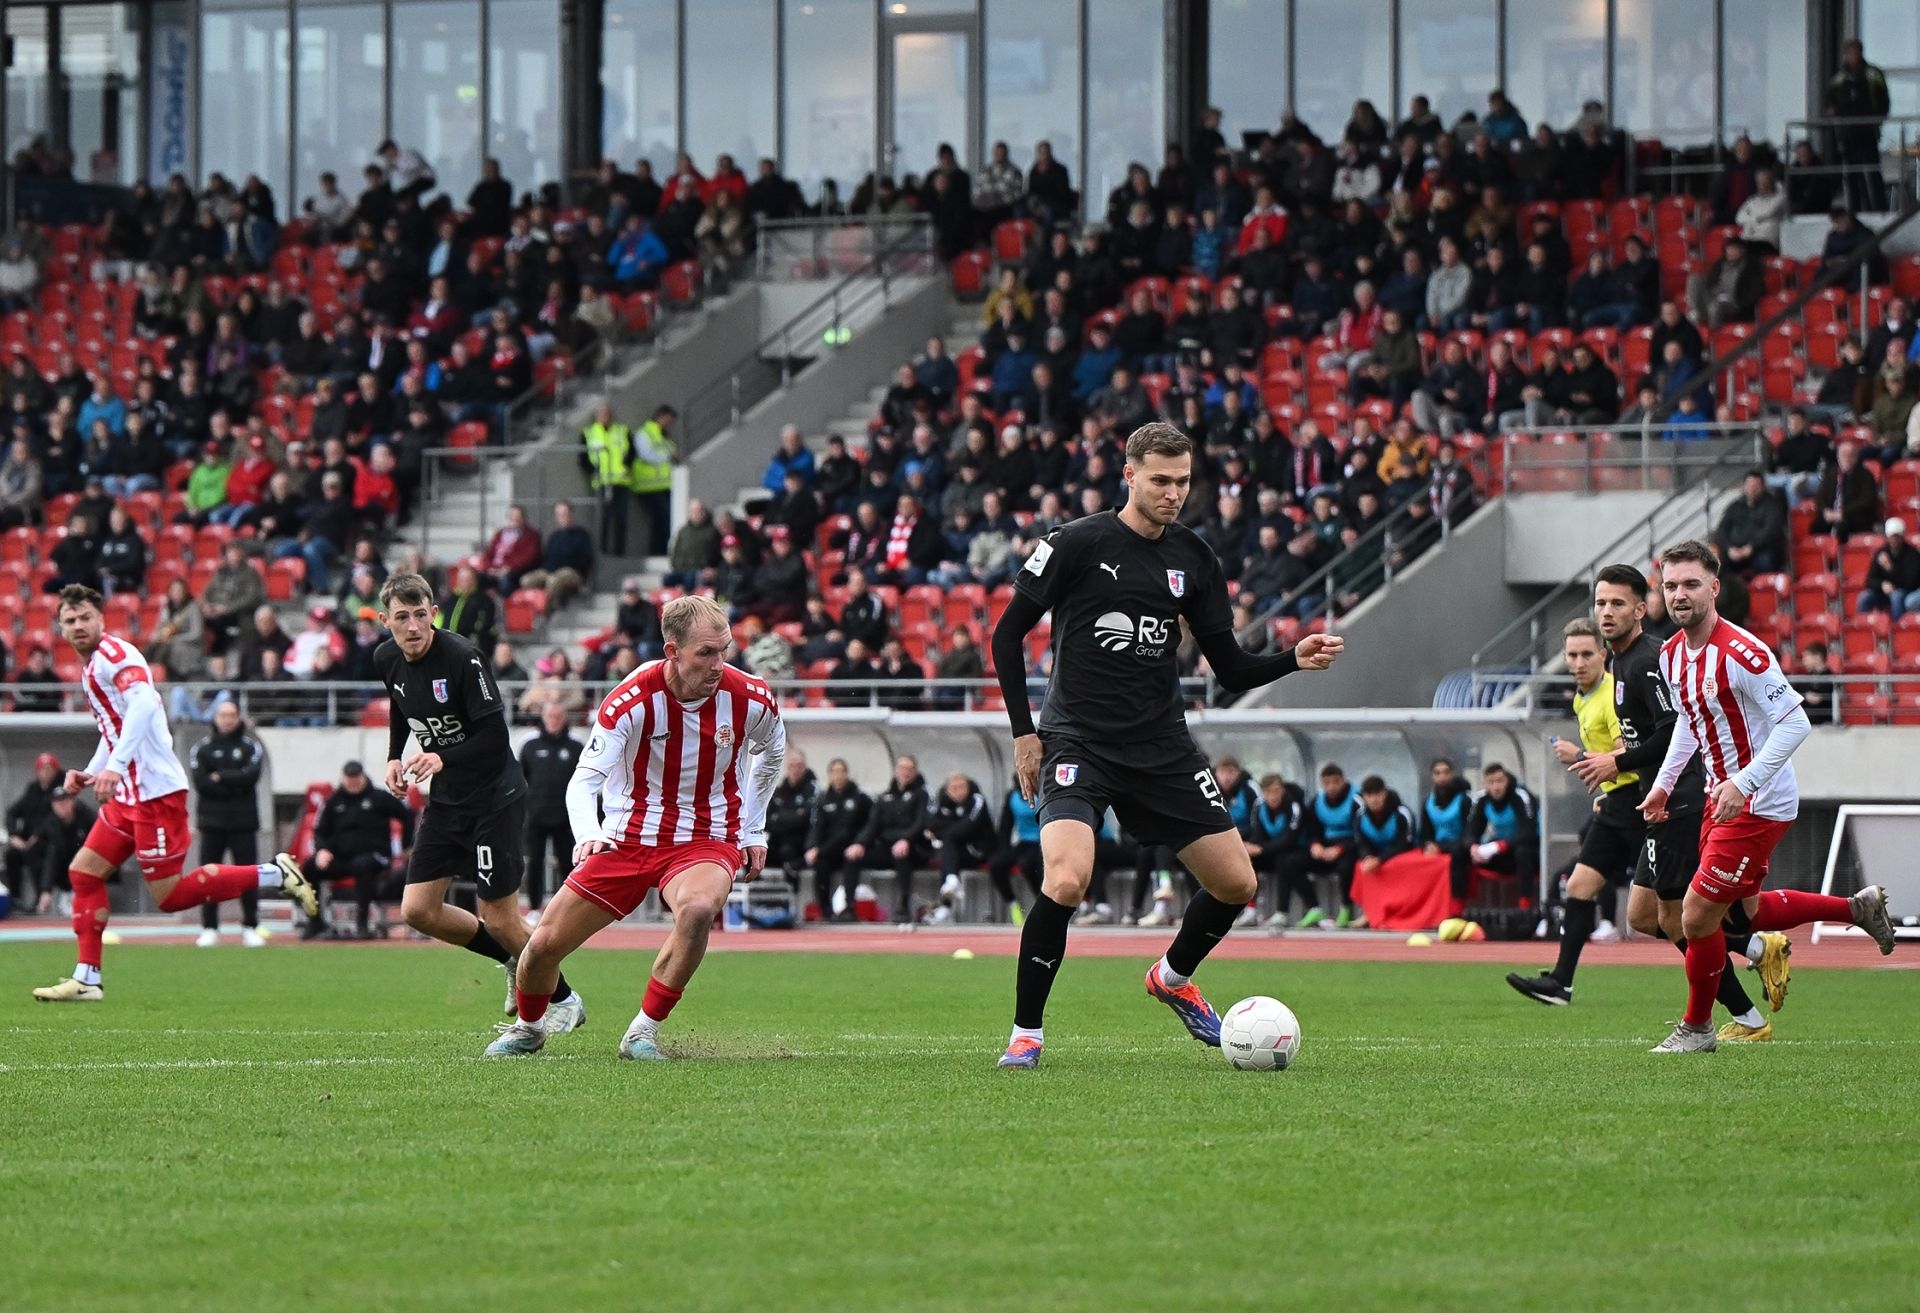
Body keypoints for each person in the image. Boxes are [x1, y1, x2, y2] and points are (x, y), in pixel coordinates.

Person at [986, 422, 1343, 1068]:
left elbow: (1230, 668)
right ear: (1129, 475)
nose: (1173, 493)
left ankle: (1172, 978)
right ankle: (1026, 1033)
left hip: (1162, 748)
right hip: (1078, 742)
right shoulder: (1075, 542)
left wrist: (1292, 657)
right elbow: (1006, 636)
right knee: (1066, 878)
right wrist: (1023, 732)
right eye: (1160, 480)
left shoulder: (1196, 559)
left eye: (1182, 482)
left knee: (1236, 883)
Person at [486, 595, 785, 1060]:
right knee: (542, 946)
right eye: (706, 653)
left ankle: (642, 1032)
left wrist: (752, 829)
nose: (719, 664)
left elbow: (773, 751)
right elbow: (585, 781)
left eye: (724, 649)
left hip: (705, 837)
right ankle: (529, 1028)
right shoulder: (632, 699)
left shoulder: (750, 697)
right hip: (627, 837)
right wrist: (589, 834)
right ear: (672, 652)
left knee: (697, 909)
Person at [1639, 540, 1896, 1053]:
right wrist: (1664, 784)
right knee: (1743, 916)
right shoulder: (1671, 654)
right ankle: (1856, 908)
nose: (1679, 594)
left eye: (1690, 584)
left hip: (1758, 802)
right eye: (1670, 586)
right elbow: (1690, 722)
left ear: (1714, 588)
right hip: (1720, 797)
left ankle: (1698, 1028)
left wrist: (1745, 782)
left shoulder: (1744, 653)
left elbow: (1795, 723)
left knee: (1695, 916)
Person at [31, 586, 317, 1002]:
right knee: (84, 873)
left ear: (101, 619)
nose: (78, 626)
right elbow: (116, 729)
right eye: (70, 620)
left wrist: (114, 767)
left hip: (155, 795)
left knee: (169, 897)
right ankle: (87, 978)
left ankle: (276, 873)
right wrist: (92, 772)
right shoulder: (92, 666)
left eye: (85, 617)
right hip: (128, 795)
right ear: (60, 627)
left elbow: (144, 705)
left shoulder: (115, 656)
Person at [372, 573, 584, 1026]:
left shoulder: (463, 657)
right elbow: (401, 706)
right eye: (402, 617)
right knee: (418, 910)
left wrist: (440, 757)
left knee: (501, 919)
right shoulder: (385, 658)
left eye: (421, 614)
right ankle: (511, 960)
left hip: (494, 798)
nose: (413, 626)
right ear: (385, 621)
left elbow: (493, 736)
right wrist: (394, 755)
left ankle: (565, 999)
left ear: (434, 613)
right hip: (448, 801)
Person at [188, 700, 268, 947]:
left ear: (238, 717)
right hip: (211, 822)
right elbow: (202, 783)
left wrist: (221, 776)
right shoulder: (202, 748)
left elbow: (251, 777)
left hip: (243, 821)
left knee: (247, 875)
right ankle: (210, 927)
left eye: (232, 715)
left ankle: (250, 926)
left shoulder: (250, 746)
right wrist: (234, 782)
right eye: (223, 715)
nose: (227, 720)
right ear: (215, 718)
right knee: (210, 876)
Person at [308, 760, 414, 939]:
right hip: (341, 857)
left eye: (356, 777)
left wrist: (406, 845)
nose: (353, 782)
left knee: (362, 865)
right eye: (349, 777)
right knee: (310, 867)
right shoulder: (333, 801)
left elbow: (407, 815)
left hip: (374, 856)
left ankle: (362, 924)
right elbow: (320, 830)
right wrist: (322, 850)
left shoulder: (379, 798)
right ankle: (315, 921)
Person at [845, 755, 933, 923]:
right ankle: (849, 907)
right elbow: (873, 825)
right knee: (852, 856)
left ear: (915, 771)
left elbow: (921, 822)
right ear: (896, 771)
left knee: (901, 854)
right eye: (902, 768)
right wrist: (859, 843)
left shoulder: (922, 794)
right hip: (887, 847)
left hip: (914, 848)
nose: (906, 772)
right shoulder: (886, 797)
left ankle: (903, 907)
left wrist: (906, 839)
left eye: (910, 768)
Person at [517, 699, 583, 912]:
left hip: (565, 817)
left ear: (564, 718)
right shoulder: (530, 745)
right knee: (534, 862)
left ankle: (567, 910)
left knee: (568, 863)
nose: (554, 720)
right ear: (544, 718)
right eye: (550, 716)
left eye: (558, 716)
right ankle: (535, 908)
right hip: (536, 816)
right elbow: (521, 778)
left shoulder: (575, 746)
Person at [1449, 763, 1537, 906]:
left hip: (1524, 854)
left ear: (1507, 781)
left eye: (1500, 781)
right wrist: (1472, 846)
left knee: (1523, 852)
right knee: (1459, 851)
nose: (1496, 787)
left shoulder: (1521, 796)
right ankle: (1457, 908)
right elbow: (1471, 829)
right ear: (1485, 784)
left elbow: (1529, 833)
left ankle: (1525, 907)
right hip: (1497, 852)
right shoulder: (1481, 799)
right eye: (1491, 782)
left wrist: (1500, 846)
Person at [804, 757, 872, 922]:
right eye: (834, 771)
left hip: (852, 847)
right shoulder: (823, 799)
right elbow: (817, 826)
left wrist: (861, 843)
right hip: (830, 849)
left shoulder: (860, 798)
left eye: (841, 771)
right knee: (820, 863)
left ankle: (849, 908)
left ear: (847, 773)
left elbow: (864, 826)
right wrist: (812, 846)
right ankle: (825, 910)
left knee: (851, 860)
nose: (838, 775)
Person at [922, 771, 995, 924]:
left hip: (977, 850)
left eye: (962, 787)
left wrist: (941, 831)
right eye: (953, 788)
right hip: (957, 850)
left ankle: (947, 900)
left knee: (948, 843)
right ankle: (950, 885)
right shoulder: (942, 801)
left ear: (968, 787)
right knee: (946, 851)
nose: (958, 792)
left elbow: (967, 827)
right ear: (947, 790)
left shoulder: (977, 800)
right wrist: (943, 830)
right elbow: (929, 823)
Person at [1298, 763, 1360, 929]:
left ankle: (1346, 908)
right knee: (1290, 861)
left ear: (1343, 780)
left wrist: (1340, 849)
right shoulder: (1317, 801)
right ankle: (1314, 908)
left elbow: (1362, 834)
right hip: (1326, 849)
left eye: (1335, 782)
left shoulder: (1356, 799)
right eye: (1327, 783)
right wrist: (1316, 845)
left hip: (1349, 847)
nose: (1331, 787)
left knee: (1346, 866)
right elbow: (1312, 829)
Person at [4, 752, 64, 910]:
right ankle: (15, 898)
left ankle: (40, 897)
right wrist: (14, 835)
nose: (45, 773)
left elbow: (55, 817)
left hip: (50, 842)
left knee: (34, 853)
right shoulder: (32, 789)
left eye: (49, 769)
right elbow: (12, 812)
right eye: (42, 769)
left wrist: (37, 836)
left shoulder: (61, 790)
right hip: (27, 840)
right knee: (12, 855)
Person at [764, 748, 817, 885]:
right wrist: (792, 816)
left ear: (804, 767)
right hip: (777, 841)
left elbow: (803, 820)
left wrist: (779, 817)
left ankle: (792, 893)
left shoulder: (812, 791)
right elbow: (767, 822)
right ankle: (756, 894)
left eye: (799, 766)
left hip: (798, 844)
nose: (795, 770)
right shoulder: (779, 791)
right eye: (791, 766)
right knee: (751, 853)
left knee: (788, 852)